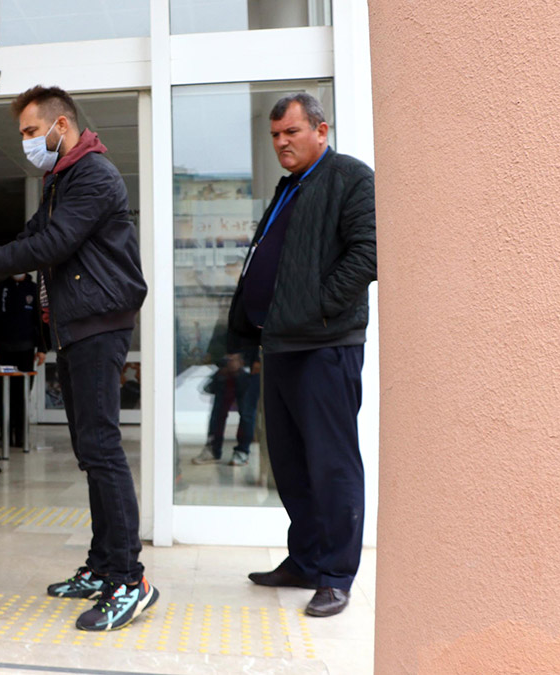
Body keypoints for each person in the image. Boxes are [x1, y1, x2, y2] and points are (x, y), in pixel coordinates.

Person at [0, 85, 155, 632]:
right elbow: (30, 238)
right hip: (77, 327)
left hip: (99, 323)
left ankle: (131, 580)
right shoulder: (60, 180)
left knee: (101, 448)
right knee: (89, 449)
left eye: (32, 132)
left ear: (61, 125)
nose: (27, 143)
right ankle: (104, 566)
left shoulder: (95, 177)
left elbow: (50, 247)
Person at [228, 93, 376, 618]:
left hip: (324, 346)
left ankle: (336, 575)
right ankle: (306, 561)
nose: (281, 143)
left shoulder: (350, 177)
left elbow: (368, 252)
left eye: (290, 132)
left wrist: (316, 308)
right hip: (283, 345)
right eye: (274, 135)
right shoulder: (291, 187)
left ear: (321, 129)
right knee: (291, 464)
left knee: (331, 465)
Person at [193, 322, 260, 466]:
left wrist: (254, 360)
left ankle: (242, 451)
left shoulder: (253, 311)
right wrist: (224, 361)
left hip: (248, 369)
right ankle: (213, 449)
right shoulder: (224, 321)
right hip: (226, 372)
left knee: (247, 413)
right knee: (218, 412)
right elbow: (214, 347)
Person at [0, 272, 46, 448]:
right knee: (3, 395)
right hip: (3, 349)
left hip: (26, 349)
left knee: (22, 396)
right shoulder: (1, 288)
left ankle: (21, 436)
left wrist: (42, 348)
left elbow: (41, 320)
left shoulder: (33, 289)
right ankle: (5, 434)